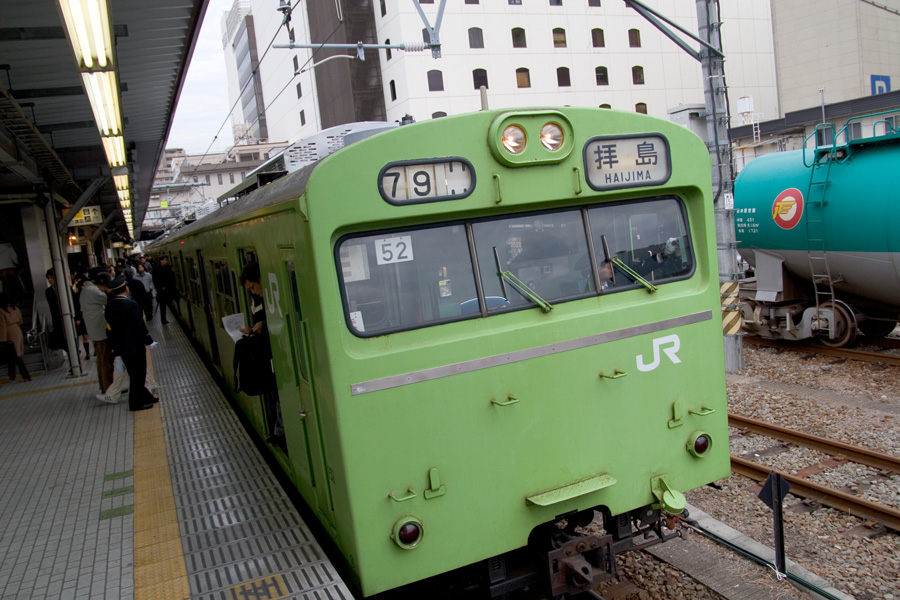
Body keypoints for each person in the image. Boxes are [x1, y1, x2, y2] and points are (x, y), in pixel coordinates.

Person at [238, 262, 283, 446]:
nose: (254, 292)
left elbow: (281, 322)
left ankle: (280, 433)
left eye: (253, 287)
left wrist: (263, 325)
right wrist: (253, 329)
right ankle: (279, 431)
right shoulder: (261, 299)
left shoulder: (276, 295)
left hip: (279, 354)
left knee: (279, 393)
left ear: (261, 279)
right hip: (270, 353)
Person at [104, 276, 156, 411]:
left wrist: (115, 347)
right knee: (138, 375)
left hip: (122, 348)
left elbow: (109, 329)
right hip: (135, 347)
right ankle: (135, 404)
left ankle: (146, 397)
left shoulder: (110, 307)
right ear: (126, 289)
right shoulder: (131, 305)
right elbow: (140, 326)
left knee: (134, 374)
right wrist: (147, 339)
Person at [83, 269, 115, 395]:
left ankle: (104, 386)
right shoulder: (94, 291)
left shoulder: (86, 289)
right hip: (100, 330)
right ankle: (109, 387)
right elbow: (108, 298)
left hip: (94, 330)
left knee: (101, 360)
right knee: (106, 360)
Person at [0, 292, 31, 382]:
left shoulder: (1, 311)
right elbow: (20, 321)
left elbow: (2, 326)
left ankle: (26, 376)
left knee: (16, 355)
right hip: (17, 330)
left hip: (9, 333)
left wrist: (2, 339)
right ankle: (12, 375)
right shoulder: (15, 308)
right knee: (14, 354)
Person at [152, 255, 178, 324]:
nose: (166, 261)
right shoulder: (156, 269)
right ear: (161, 261)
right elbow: (155, 281)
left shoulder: (169, 267)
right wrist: (160, 287)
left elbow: (173, 277)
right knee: (163, 306)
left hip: (170, 289)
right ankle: (163, 320)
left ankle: (175, 316)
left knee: (171, 304)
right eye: (165, 260)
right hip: (162, 292)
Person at [45, 268, 66, 352]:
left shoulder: (64, 288)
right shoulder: (48, 291)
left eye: (52, 278)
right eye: (48, 278)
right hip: (57, 318)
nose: (50, 280)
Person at [71, 270, 91, 359]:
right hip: (87, 316)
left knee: (84, 335)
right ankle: (90, 352)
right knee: (87, 335)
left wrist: (77, 318)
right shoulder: (87, 294)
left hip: (82, 317)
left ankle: (87, 353)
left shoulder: (77, 294)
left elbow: (76, 307)